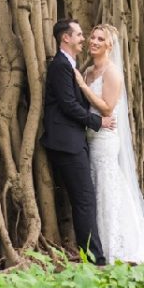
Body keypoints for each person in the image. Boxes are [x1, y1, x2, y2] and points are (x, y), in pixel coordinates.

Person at [73, 23, 144, 264]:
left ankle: (115, 244)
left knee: (106, 186)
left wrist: (83, 86)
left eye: (100, 39)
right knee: (94, 188)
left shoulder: (111, 72)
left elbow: (107, 107)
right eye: (92, 37)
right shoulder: (89, 70)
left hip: (104, 139)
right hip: (89, 136)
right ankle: (96, 242)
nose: (93, 42)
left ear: (109, 45)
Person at [41, 18, 116, 265]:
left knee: (83, 199)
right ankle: (95, 259)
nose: (84, 39)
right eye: (80, 35)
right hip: (66, 142)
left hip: (74, 141)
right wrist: (97, 122)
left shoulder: (72, 66)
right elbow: (68, 105)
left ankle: (92, 254)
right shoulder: (61, 66)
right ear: (66, 38)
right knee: (84, 199)